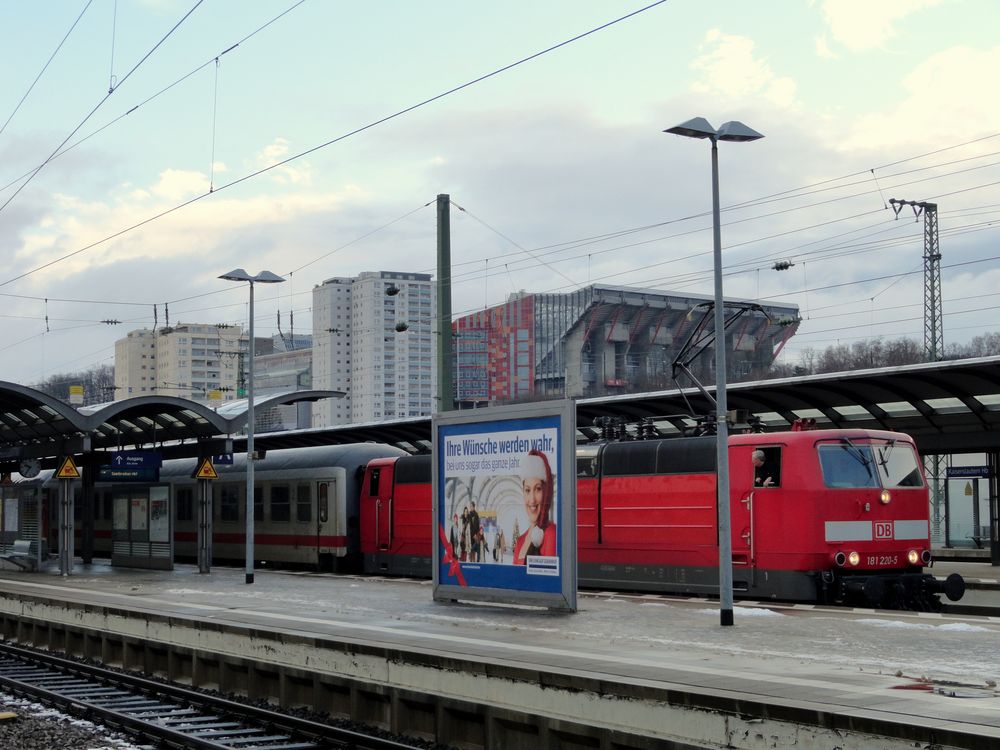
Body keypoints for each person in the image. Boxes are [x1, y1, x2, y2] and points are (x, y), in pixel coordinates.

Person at [513, 449, 558, 564]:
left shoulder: (551, 533)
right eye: (527, 490)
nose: (532, 500)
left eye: (538, 489)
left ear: (546, 492)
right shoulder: (520, 541)